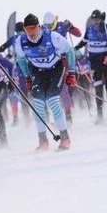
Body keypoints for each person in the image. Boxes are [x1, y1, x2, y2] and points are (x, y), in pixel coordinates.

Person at [15, 14, 76, 150]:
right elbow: (21, 60)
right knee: (38, 105)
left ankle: (65, 139)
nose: (32, 33)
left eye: (34, 28)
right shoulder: (20, 42)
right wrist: (27, 77)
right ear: (24, 29)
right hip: (37, 72)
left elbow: (69, 51)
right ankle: (43, 141)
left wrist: (71, 72)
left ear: (39, 27)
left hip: (55, 69)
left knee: (52, 101)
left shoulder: (53, 37)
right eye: (28, 29)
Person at [74, 10, 107, 124]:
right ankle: (100, 115)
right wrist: (75, 48)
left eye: (98, 19)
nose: (96, 22)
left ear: (101, 19)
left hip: (105, 60)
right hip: (94, 62)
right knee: (98, 87)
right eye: (94, 20)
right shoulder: (89, 29)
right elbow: (84, 41)